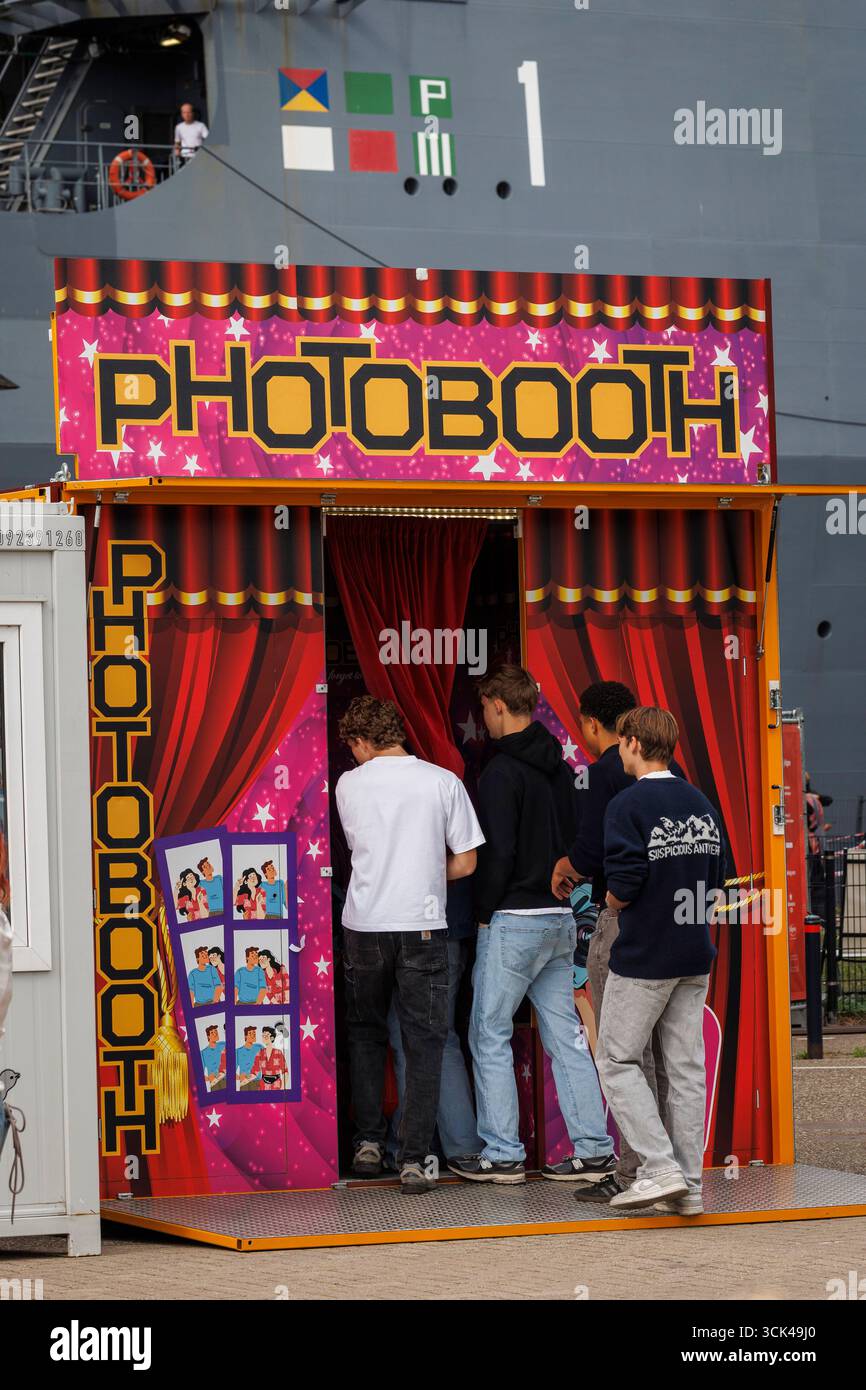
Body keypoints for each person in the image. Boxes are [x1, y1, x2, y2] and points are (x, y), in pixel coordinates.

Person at [450, 665, 615, 1187]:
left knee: (489, 1032)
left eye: (485, 709)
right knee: (565, 1035)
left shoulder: (499, 772)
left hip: (513, 920)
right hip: (559, 918)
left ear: (498, 705)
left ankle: (502, 1154)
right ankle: (593, 1150)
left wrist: (483, 911)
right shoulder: (563, 767)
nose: (484, 719)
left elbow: (497, 854)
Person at [336, 694, 484, 1195]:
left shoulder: (348, 786)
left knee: (365, 1032)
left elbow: (361, 850)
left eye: (352, 747)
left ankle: (368, 1142)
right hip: (423, 925)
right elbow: (466, 863)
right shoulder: (444, 781)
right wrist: (426, 874)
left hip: (364, 924)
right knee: (425, 1042)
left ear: (360, 741)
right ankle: (417, 1158)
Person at [550, 680, 685, 1197]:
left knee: (621, 1053)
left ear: (591, 724)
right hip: (673, 927)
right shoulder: (681, 786)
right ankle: (671, 1167)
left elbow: (592, 854)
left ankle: (638, 1170)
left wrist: (571, 873)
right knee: (664, 1056)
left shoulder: (605, 774)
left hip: (626, 923)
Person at [595, 706, 725, 1214]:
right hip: (696, 952)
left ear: (630, 742)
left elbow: (624, 884)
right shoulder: (701, 803)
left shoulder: (626, 806)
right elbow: (717, 882)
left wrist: (607, 904)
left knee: (617, 1060)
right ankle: (689, 1187)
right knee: (687, 1068)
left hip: (646, 955)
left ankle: (659, 1167)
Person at [385, 876, 481, 1169]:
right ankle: (462, 1147)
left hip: (410, 921)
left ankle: (415, 1147)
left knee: (411, 1040)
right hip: (451, 923)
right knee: (442, 1037)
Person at [250, 1025, 288, 1091]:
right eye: (263, 1036)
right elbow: (254, 1072)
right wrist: (244, 1080)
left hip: (277, 1084)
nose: (264, 1037)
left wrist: (282, 1087)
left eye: (266, 1036)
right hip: (263, 1085)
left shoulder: (278, 1053)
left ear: (272, 1038)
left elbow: (285, 1071)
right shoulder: (260, 1053)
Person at [201, 1024, 226, 1091]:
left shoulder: (224, 1044)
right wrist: (209, 1078)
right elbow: (199, 1074)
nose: (215, 1033)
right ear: (208, 1036)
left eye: (216, 1031)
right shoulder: (203, 1052)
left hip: (227, 1080)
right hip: (214, 1083)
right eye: (212, 1032)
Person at [235, 1024, 261, 1090]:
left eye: (254, 1033)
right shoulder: (238, 1051)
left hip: (257, 1082)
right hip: (244, 1083)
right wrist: (240, 1077)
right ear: (245, 1036)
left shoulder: (260, 1047)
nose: (253, 1035)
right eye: (250, 1033)